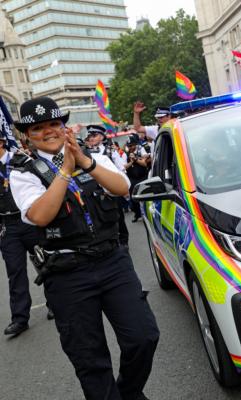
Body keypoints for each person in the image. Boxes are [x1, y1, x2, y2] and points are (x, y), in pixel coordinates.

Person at [9, 96, 159, 399]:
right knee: (89, 359)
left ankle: (128, 392)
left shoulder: (92, 155)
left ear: (64, 126)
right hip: (67, 274)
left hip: (112, 261)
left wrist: (84, 163)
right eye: (38, 128)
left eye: (54, 123)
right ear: (26, 134)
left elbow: (122, 188)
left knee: (143, 337)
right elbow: (39, 215)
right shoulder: (22, 172)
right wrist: (64, 171)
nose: (49, 131)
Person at [0, 136, 53, 337]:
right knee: (15, 271)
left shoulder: (22, 160)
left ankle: (54, 303)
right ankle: (20, 318)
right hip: (8, 225)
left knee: (45, 263)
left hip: (30, 219)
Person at [85, 125, 130, 246]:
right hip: (96, 191)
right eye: (90, 136)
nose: (91, 138)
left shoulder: (111, 150)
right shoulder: (87, 152)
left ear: (102, 136)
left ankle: (123, 241)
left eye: (94, 135)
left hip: (112, 188)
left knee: (118, 216)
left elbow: (121, 169)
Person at [124, 135, 149, 222]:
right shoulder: (125, 153)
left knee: (146, 195)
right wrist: (131, 161)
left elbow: (145, 164)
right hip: (132, 178)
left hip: (143, 177)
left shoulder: (141, 150)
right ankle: (137, 214)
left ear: (135, 144)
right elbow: (124, 167)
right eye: (129, 146)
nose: (130, 147)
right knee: (134, 198)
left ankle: (147, 212)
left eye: (132, 145)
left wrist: (136, 159)